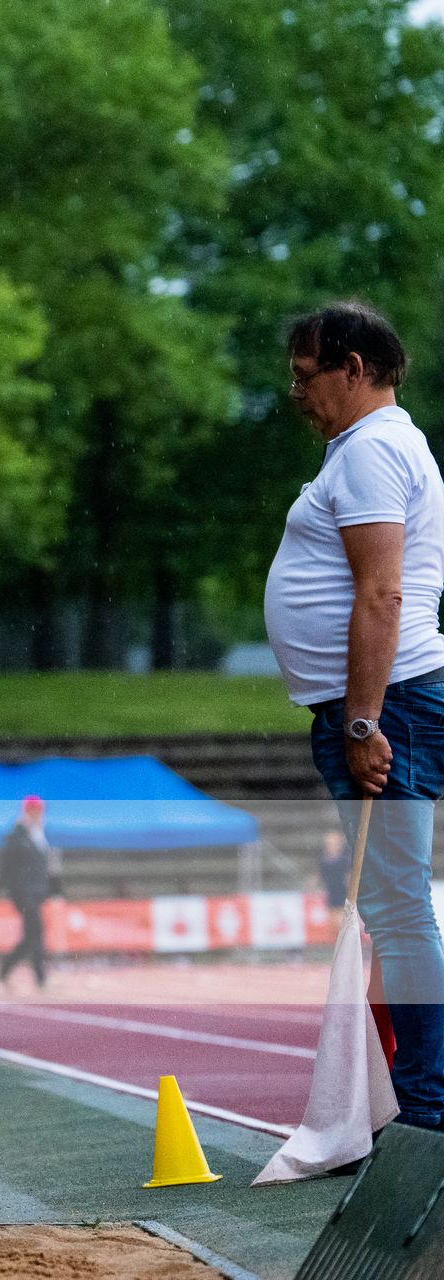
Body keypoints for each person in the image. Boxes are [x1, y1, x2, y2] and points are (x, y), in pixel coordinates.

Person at [264, 300, 444, 1131]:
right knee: (395, 910)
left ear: (354, 369)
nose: (295, 393)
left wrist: (364, 722)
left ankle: (427, 1110)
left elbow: (381, 592)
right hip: (382, 704)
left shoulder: (372, 451)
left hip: (389, 706)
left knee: (401, 911)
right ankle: (415, 1102)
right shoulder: (361, 449)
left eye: (307, 376)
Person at [0, 795, 53, 991]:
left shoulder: (38, 835)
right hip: (25, 896)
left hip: (35, 894)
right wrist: (17, 893)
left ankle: (5, 970)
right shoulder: (19, 835)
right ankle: (40, 979)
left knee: (31, 937)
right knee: (35, 934)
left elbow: (43, 868)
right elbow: (7, 866)